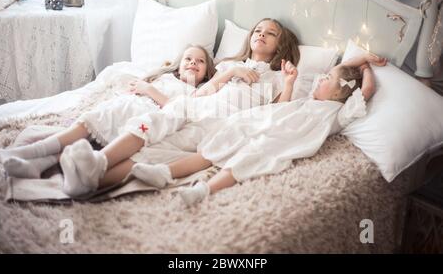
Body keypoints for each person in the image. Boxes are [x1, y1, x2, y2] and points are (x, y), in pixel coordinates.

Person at [0, 18, 301, 198]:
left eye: (270, 32)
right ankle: (98, 161)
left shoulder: (276, 77)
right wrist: (230, 73)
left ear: (281, 43)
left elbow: (278, 113)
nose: (260, 34)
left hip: (219, 123)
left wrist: (288, 84)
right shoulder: (230, 65)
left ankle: (85, 178)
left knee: (152, 153)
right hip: (195, 106)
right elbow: (203, 91)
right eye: (257, 29)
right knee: (152, 121)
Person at [131, 53, 387, 206]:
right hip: (260, 121)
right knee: (220, 141)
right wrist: (358, 60)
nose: (321, 79)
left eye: (328, 80)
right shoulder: (311, 98)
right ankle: (163, 172)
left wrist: (365, 65)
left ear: (342, 90)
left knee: (249, 156)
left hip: (281, 139)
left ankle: (204, 190)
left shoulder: (338, 113)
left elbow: (364, 90)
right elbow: (337, 76)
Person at [0, 45, 214, 193]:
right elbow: (135, 87)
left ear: (207, 72)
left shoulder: (194, 91)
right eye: (188, 58)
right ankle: (40, 161)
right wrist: (143, 87)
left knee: (93, 135)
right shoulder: (165, 76)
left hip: (148, 116)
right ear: (179, 63)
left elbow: (175, 108)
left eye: (200, 61)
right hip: (130, 105)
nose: (193, 63)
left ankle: (35, 153)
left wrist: (148, 90)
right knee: (90, 128)